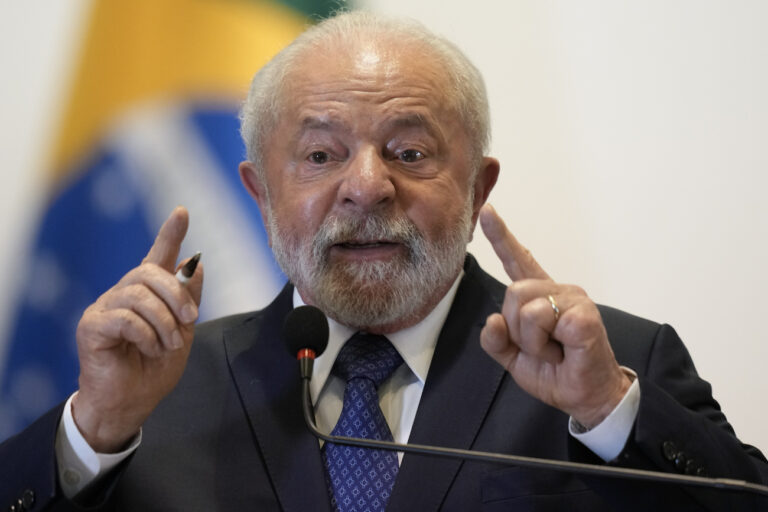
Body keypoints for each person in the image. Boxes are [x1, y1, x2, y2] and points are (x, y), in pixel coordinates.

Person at [2, 11, 766, 512]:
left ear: (478, 189)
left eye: (408, 151)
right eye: (320, 154)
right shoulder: (154, 387)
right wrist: (93, 428)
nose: (366, 187)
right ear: (261, 195)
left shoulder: (614, 367)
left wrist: (607, 409)